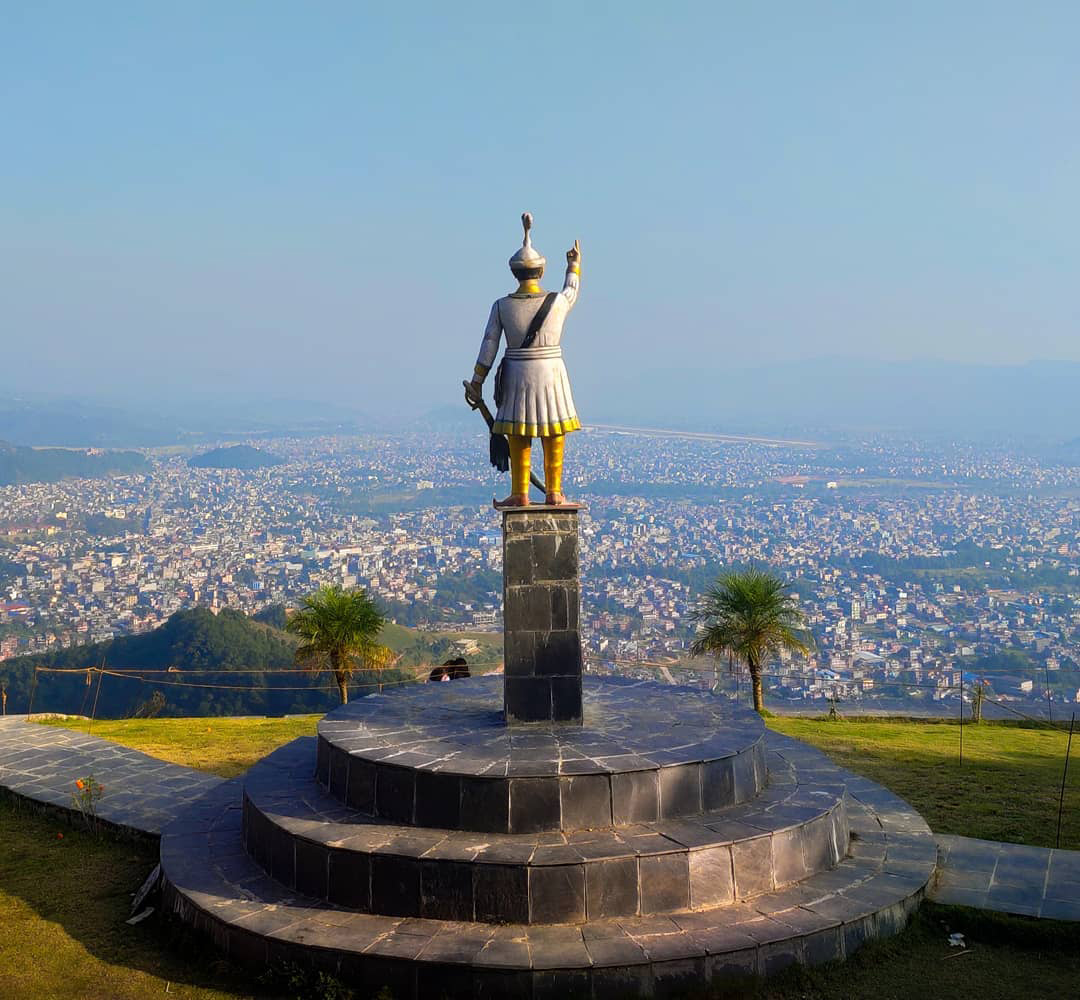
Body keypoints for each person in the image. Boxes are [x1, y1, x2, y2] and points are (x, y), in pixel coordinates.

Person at [465, 213, 581, 508]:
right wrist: (573, 266)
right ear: (541, 272)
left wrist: (477, 381)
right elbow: (571, 291)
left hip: (517, 373)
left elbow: (489, 344)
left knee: (519, 431)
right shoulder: (556, 302)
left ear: (515, 273)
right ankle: (554, 492)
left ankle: (520, 491)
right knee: (553, 429)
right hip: (551, 372)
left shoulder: (502, 306)